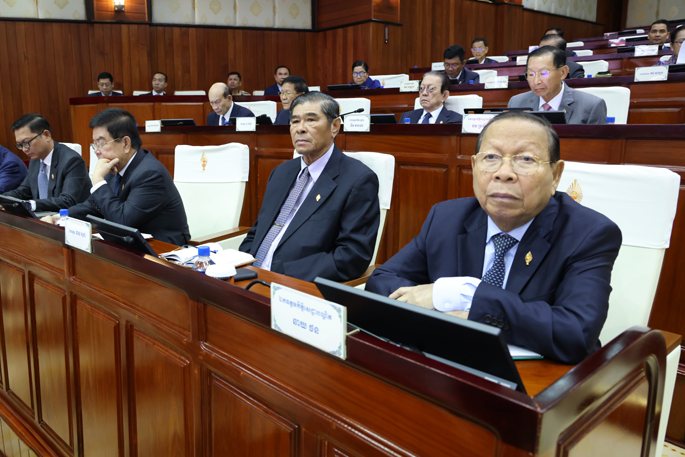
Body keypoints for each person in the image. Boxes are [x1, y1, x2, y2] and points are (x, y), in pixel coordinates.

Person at [365, 111, 621, 364]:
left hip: (536, 379)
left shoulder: (589, 233)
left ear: (555, 175)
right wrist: (440, 316)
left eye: (526, 159)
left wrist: (465, 295)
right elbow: (381, 281)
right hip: (447, 365)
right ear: (474, 166)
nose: (504, 173)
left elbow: (576, 333)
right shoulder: (446, 217)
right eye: (491, 157)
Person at [239, 91, 380, 282]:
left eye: (311, 120)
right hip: (250, 276)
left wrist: (281, 274)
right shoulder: (280, 172)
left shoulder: (358, 180)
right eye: (295, 121)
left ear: (334, 126)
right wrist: (242, 264)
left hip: (295, 284)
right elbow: (258, 231)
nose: (300, 129)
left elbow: (352, 257)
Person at [42, 109, 190, 245]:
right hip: (131, 246)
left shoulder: (150, 174)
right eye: (95, 144)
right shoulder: (116, 167)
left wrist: (98, 181)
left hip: (164, 251)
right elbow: (92, 206)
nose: (97, 151)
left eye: (101, 143)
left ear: (125, 143)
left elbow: (122, 222)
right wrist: (59, 218)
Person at [2, 114, 92, 212]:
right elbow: (23, 191)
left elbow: (67, 200)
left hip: (71, 218)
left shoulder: (72, 161)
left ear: (47, 135)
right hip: (44, 217)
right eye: (20, 145)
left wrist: (32, 204)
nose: (24, 149)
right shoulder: (35, 160)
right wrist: (1, 199)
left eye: (27, 143)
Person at [507, 46, 606, 124]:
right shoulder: (516, 103)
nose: (536, 81)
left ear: (563, 72)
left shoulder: (591, 106)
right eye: (531, 74)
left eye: (544, 73)